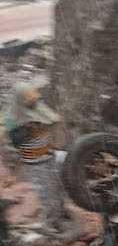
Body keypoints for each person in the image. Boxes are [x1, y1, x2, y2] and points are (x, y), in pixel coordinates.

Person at [3, 81, 74, 236]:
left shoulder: (36, 107)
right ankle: (53, 222)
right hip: (35, 163)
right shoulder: (12, 117)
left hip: (49, 153)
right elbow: (16, 142)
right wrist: (28, 128)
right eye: (28, 100)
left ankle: (61, 211)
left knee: (59, 185)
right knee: (47, 192)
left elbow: (50, 117)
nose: (32, 102)